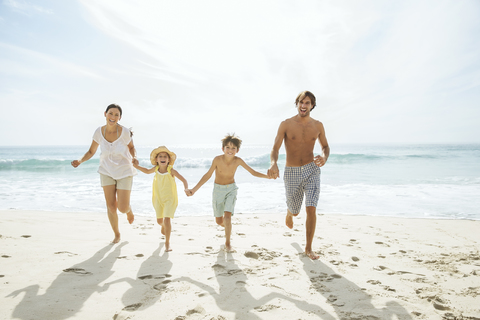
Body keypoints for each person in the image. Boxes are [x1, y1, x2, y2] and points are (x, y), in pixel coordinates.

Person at [267, 91, 330, 260]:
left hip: (312, 170)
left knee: (311, 208)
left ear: (312, 106)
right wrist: (273, 163)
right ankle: (289, 212)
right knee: (295, 212)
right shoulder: (286, 124)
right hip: (292, 171)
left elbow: (325, 146)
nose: (304, 105)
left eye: (307, 103)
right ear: (297, 104)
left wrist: (324, 157)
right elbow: (275, 148)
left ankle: (308, 248)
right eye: (301, 102)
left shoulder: (318, 126)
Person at [186, 134, 270, 252]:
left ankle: (228, 243)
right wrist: (194, 190)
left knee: (227, 217)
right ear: (223, 149)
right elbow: (208, 175)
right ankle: (228, 228)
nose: (230, 150)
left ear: (237, 150)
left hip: (231, 189)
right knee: (219, 221)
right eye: (228, 147)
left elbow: (253, 172)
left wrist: (268, 177)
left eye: (233, 148)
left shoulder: (238, 161)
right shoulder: (217, 159)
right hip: (218, 191)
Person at [71, 104, 136, 244]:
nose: (113, 117)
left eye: (116, 115)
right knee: (111, 206)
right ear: (105, 114)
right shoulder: (98, 132)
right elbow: (91, 151)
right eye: (111, 113)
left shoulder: (124, 132)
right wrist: (80, 160)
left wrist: (134, 157)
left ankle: (128, 210)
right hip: (106, 170)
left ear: (120, 118)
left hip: (124, 170)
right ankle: (117, 234)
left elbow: (131, 148)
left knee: (122, 207)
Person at [132, 146, 189, 252]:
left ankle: (167, 243)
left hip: (170, 199)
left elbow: (184, 180)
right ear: (157, 160)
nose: (163, 158)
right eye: (160, 156)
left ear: (168, 160)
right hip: (158, 198)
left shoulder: (171, 171)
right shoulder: (156, 169)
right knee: (159, 221)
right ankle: (163, 226)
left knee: (167, 220)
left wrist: (186, 189)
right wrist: (136, 166)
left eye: (165, 156)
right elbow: (147, 171)